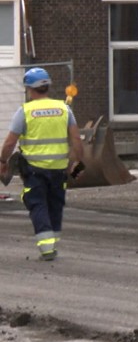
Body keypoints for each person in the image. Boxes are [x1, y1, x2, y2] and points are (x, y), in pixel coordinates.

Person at [0, 68, 85, 261]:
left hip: (35, 170)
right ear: (47, 87)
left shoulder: (25, 111)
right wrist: (78, 164)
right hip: (59, 170)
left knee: (37, 203)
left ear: (29, 89)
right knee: (55, 204)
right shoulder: (64, 109)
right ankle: (52, 242)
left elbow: (9, 143)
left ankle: (46, 248)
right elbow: (76, 140)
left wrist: (3, 161)